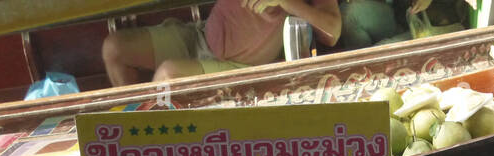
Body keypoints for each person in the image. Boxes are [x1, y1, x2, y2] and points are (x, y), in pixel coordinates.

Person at [103, 0, 342, 86]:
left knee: (168, 76)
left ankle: (150, 151)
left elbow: (332, 33)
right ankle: (128, 132)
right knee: (114, 49)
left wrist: (289, 4)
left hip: (244, 66)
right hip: (200, 35)